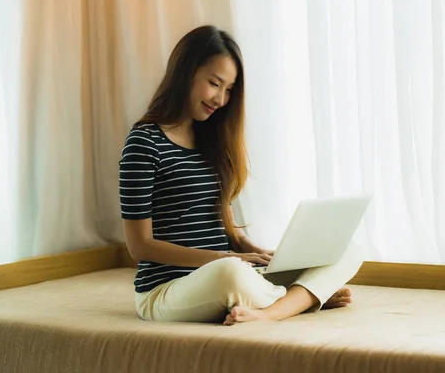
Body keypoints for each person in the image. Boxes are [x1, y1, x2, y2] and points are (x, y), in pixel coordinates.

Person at [119, 25, 363, 325]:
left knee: (346, 249)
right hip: (167, 290)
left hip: (224, 271)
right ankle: (303, 298)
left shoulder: (211, 140)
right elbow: (139, 246)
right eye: (214, 83)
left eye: (229, 90)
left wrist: (259, 252)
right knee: (231, 274)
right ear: (185, 72)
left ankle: (274, 307)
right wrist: (224, 259)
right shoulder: (144, 141)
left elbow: (225, 222)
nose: (221, 100)